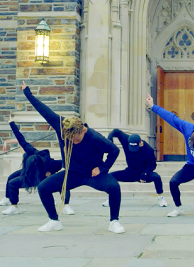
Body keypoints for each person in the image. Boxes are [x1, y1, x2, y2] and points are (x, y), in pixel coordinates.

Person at [21, 81, 125, 233]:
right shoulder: (63, 127)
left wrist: (102, 168)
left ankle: (114, 221)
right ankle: (54, 220)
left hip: (92, 174)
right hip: (73, 173)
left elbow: (114, 150)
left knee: (114, 187)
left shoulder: (95, 137)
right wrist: (27, 93)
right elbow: (45, 111)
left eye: (76, 139)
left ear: (83, 129)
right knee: (43, 188)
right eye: (70, 140)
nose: (73, 142)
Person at [0, 115, 72, 215]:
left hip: (43, 178)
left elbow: (65, 163)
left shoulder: (50, 163)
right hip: (28, 176)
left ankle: (66, 205)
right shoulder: (31, 151)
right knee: (12, 180)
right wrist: (11, 123)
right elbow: (20, 138)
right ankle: (12, 203)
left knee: (63, 183)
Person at [102, 129, 168, 207]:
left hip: (143, 174)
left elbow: (152, 165)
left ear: (140, 142)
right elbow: (115, 131)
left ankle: (161, 198)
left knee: (156, 177)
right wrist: (110, 140)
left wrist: (145, 173)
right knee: (110, 176)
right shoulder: (126, 139)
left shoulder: (149, 150)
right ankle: (111, 198)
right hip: (130, 172)